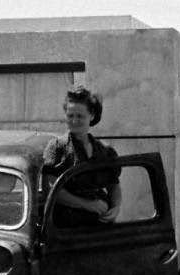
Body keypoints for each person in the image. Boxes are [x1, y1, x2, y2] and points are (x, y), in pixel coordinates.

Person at [42, 85, 122, 227]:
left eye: (80, 116)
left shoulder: (105, 151)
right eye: (70, 116)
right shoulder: (57, 147)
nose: (74, 121)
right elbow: (51, 189)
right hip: (68, 228)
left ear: (92, 116)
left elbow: (114, 184)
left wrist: (115, 208)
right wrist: (88, 205)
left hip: (102, 225)